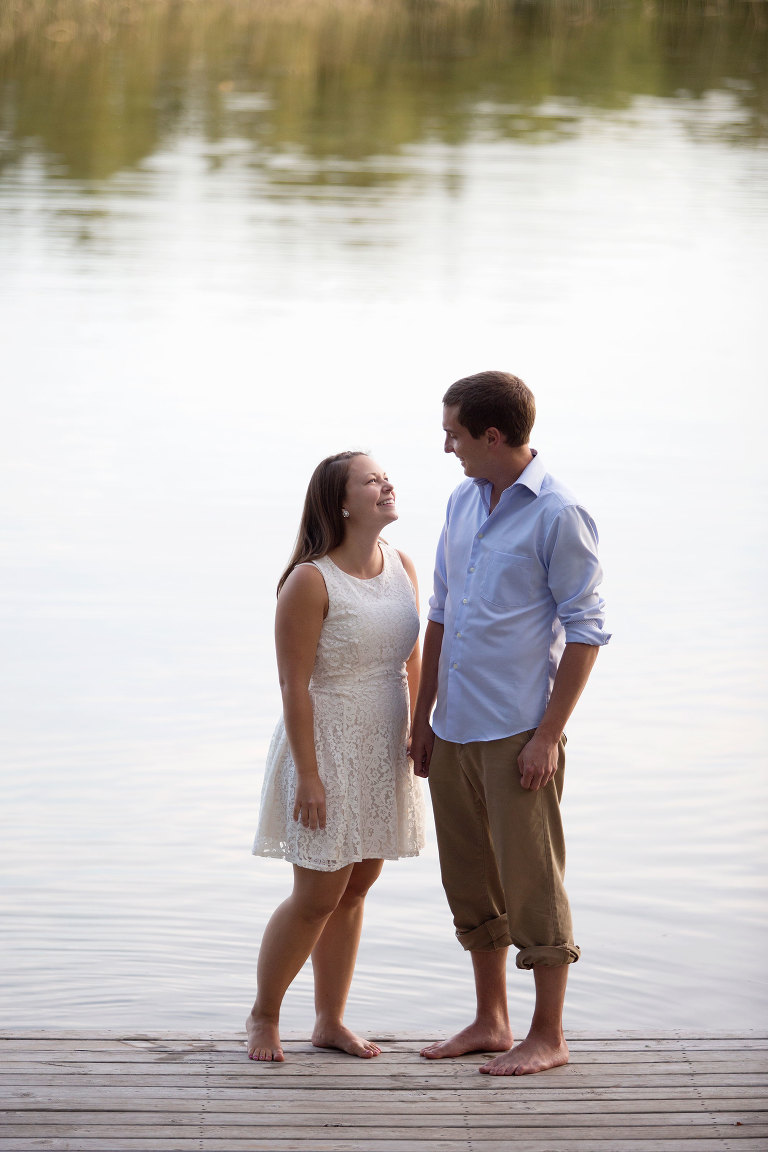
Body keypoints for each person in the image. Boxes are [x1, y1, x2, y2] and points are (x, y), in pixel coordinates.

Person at [410, 370, 610, 1077]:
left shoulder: (559, 513)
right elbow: (440, 612)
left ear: (491, 436)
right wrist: (422, 715)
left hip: (519, 731)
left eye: (453, 433)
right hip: (455, 725)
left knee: (533, 883)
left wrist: (548, 737)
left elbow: (586, 632)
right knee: (470, 881)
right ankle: (492, 1020)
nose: (446, 446)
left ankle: (547, 1034)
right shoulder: (462, 502)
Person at [247, 450, 425, 1062]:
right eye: (371, 480)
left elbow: (412, 659)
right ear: (341, 502)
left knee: (359, 885)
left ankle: (329, 1021)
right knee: (318, 892)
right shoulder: (310, 579)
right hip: (323, 744)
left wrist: (419, 728)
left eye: (385, 476)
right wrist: (310, 776)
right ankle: (264, 1016)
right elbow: (294, 685)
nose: (386, 485)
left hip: (383, 744)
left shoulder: (402, 564)